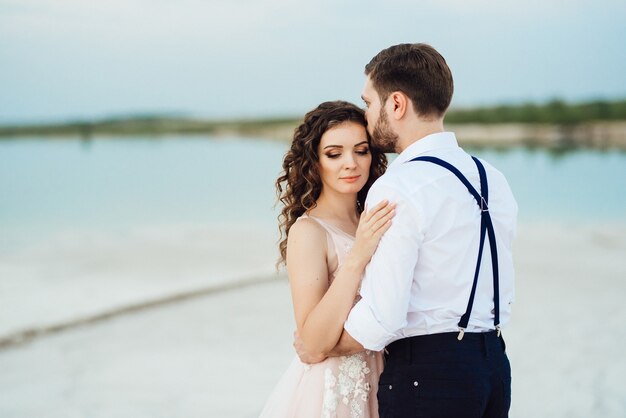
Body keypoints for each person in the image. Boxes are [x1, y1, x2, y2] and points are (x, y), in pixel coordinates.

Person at [295, 44, 518, 417]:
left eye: (369, 103)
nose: (367, 115)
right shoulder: (491, 178)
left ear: (396, 104)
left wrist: (323, 347)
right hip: (494, 367)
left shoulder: (399, 186)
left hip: (429, 376)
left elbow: (384, 316)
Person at [259, 100, 393, 417]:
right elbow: (313, 340)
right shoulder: (309, 232)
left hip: (388, 378)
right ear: (314, 162)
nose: (351, 163)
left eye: (361, 150)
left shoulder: (376, 216)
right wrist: (357, 256)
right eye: (334, 154)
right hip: (333, 388)